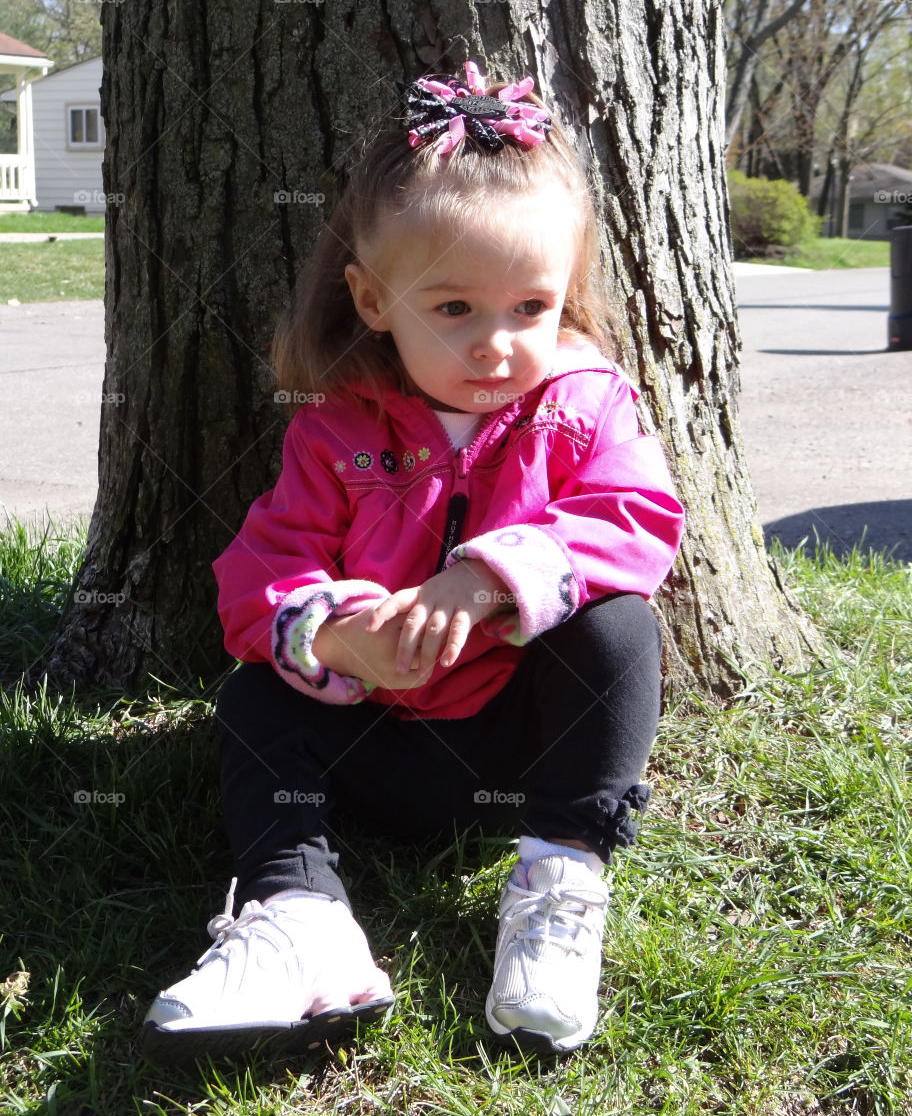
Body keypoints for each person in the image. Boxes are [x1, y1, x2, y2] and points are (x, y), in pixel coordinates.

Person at [140, 60, 684, 1063]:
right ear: (374, 298)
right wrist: (342, 632)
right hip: (376, 740)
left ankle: (562, 883)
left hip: (524, 747)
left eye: (531, 306)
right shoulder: (337, 428)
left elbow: (638, 517)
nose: (497, 345)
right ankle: (300, 915)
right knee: (255, 701)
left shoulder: (586, 402)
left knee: (621, 628)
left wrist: (483, 581)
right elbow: (255, 575)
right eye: (454, 310)